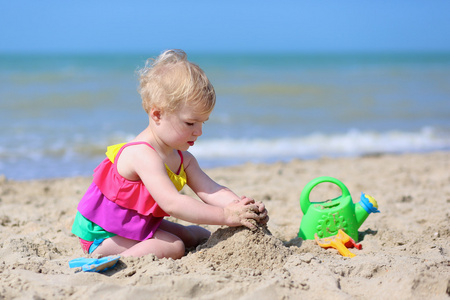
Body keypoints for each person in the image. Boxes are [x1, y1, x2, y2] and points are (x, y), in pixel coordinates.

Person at [71, 49, 268, 259]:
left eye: (203, 123)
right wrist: (225, 216)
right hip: (105, 233)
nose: (199, 131)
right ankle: (107, 258)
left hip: (137, 223)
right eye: (190, 123)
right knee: (174, 246)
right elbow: (173, 203)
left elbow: (212, 190)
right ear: (157, 114)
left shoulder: (184, 160)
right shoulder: (142, 154)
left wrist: (240, 207)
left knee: (197, 235)